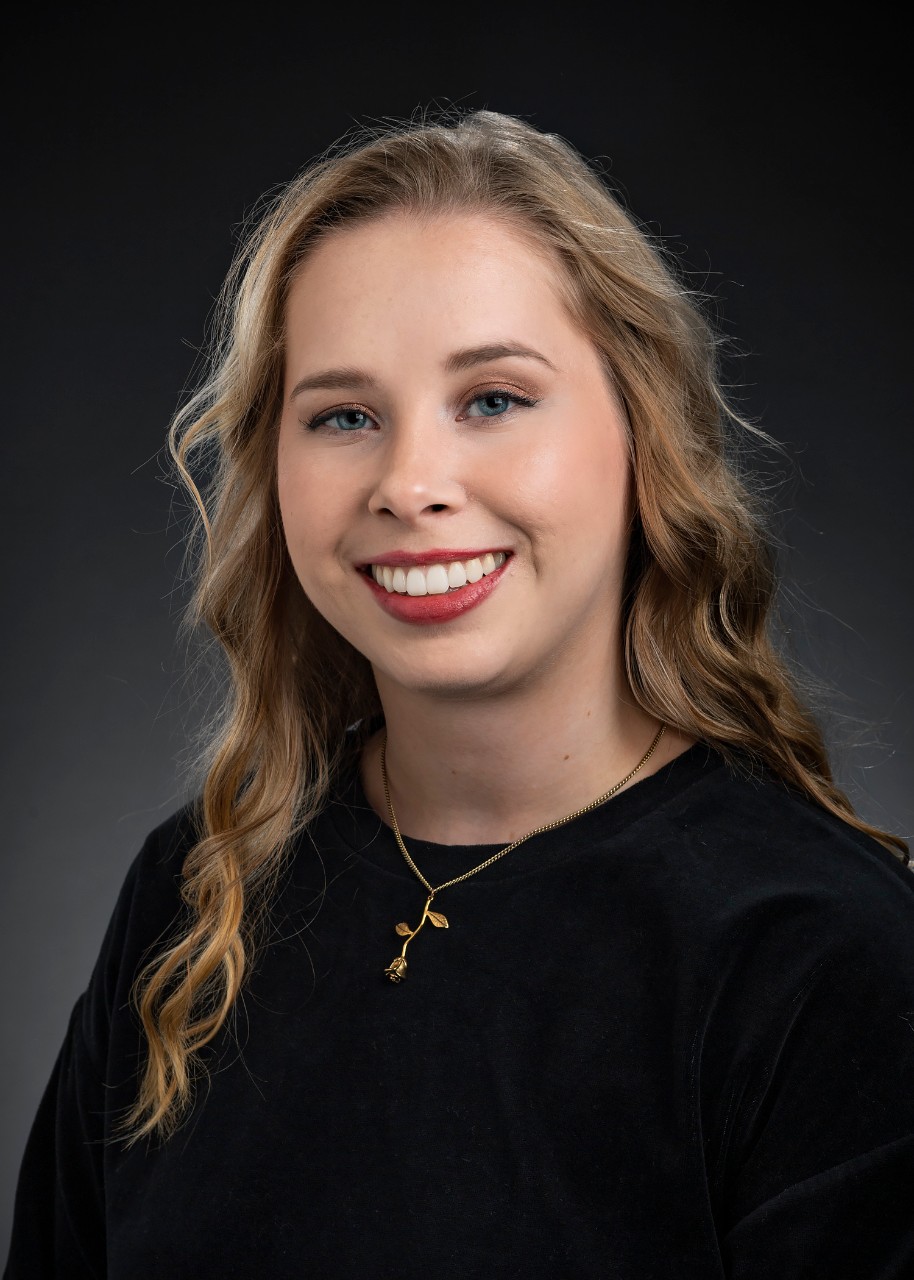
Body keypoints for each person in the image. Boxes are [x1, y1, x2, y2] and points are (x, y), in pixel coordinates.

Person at [5, 110, 913, 1279]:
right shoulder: (197, 894)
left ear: (643, 432)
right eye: (343, 416)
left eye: (491, 398)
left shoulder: (822, 957)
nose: (410, 483)